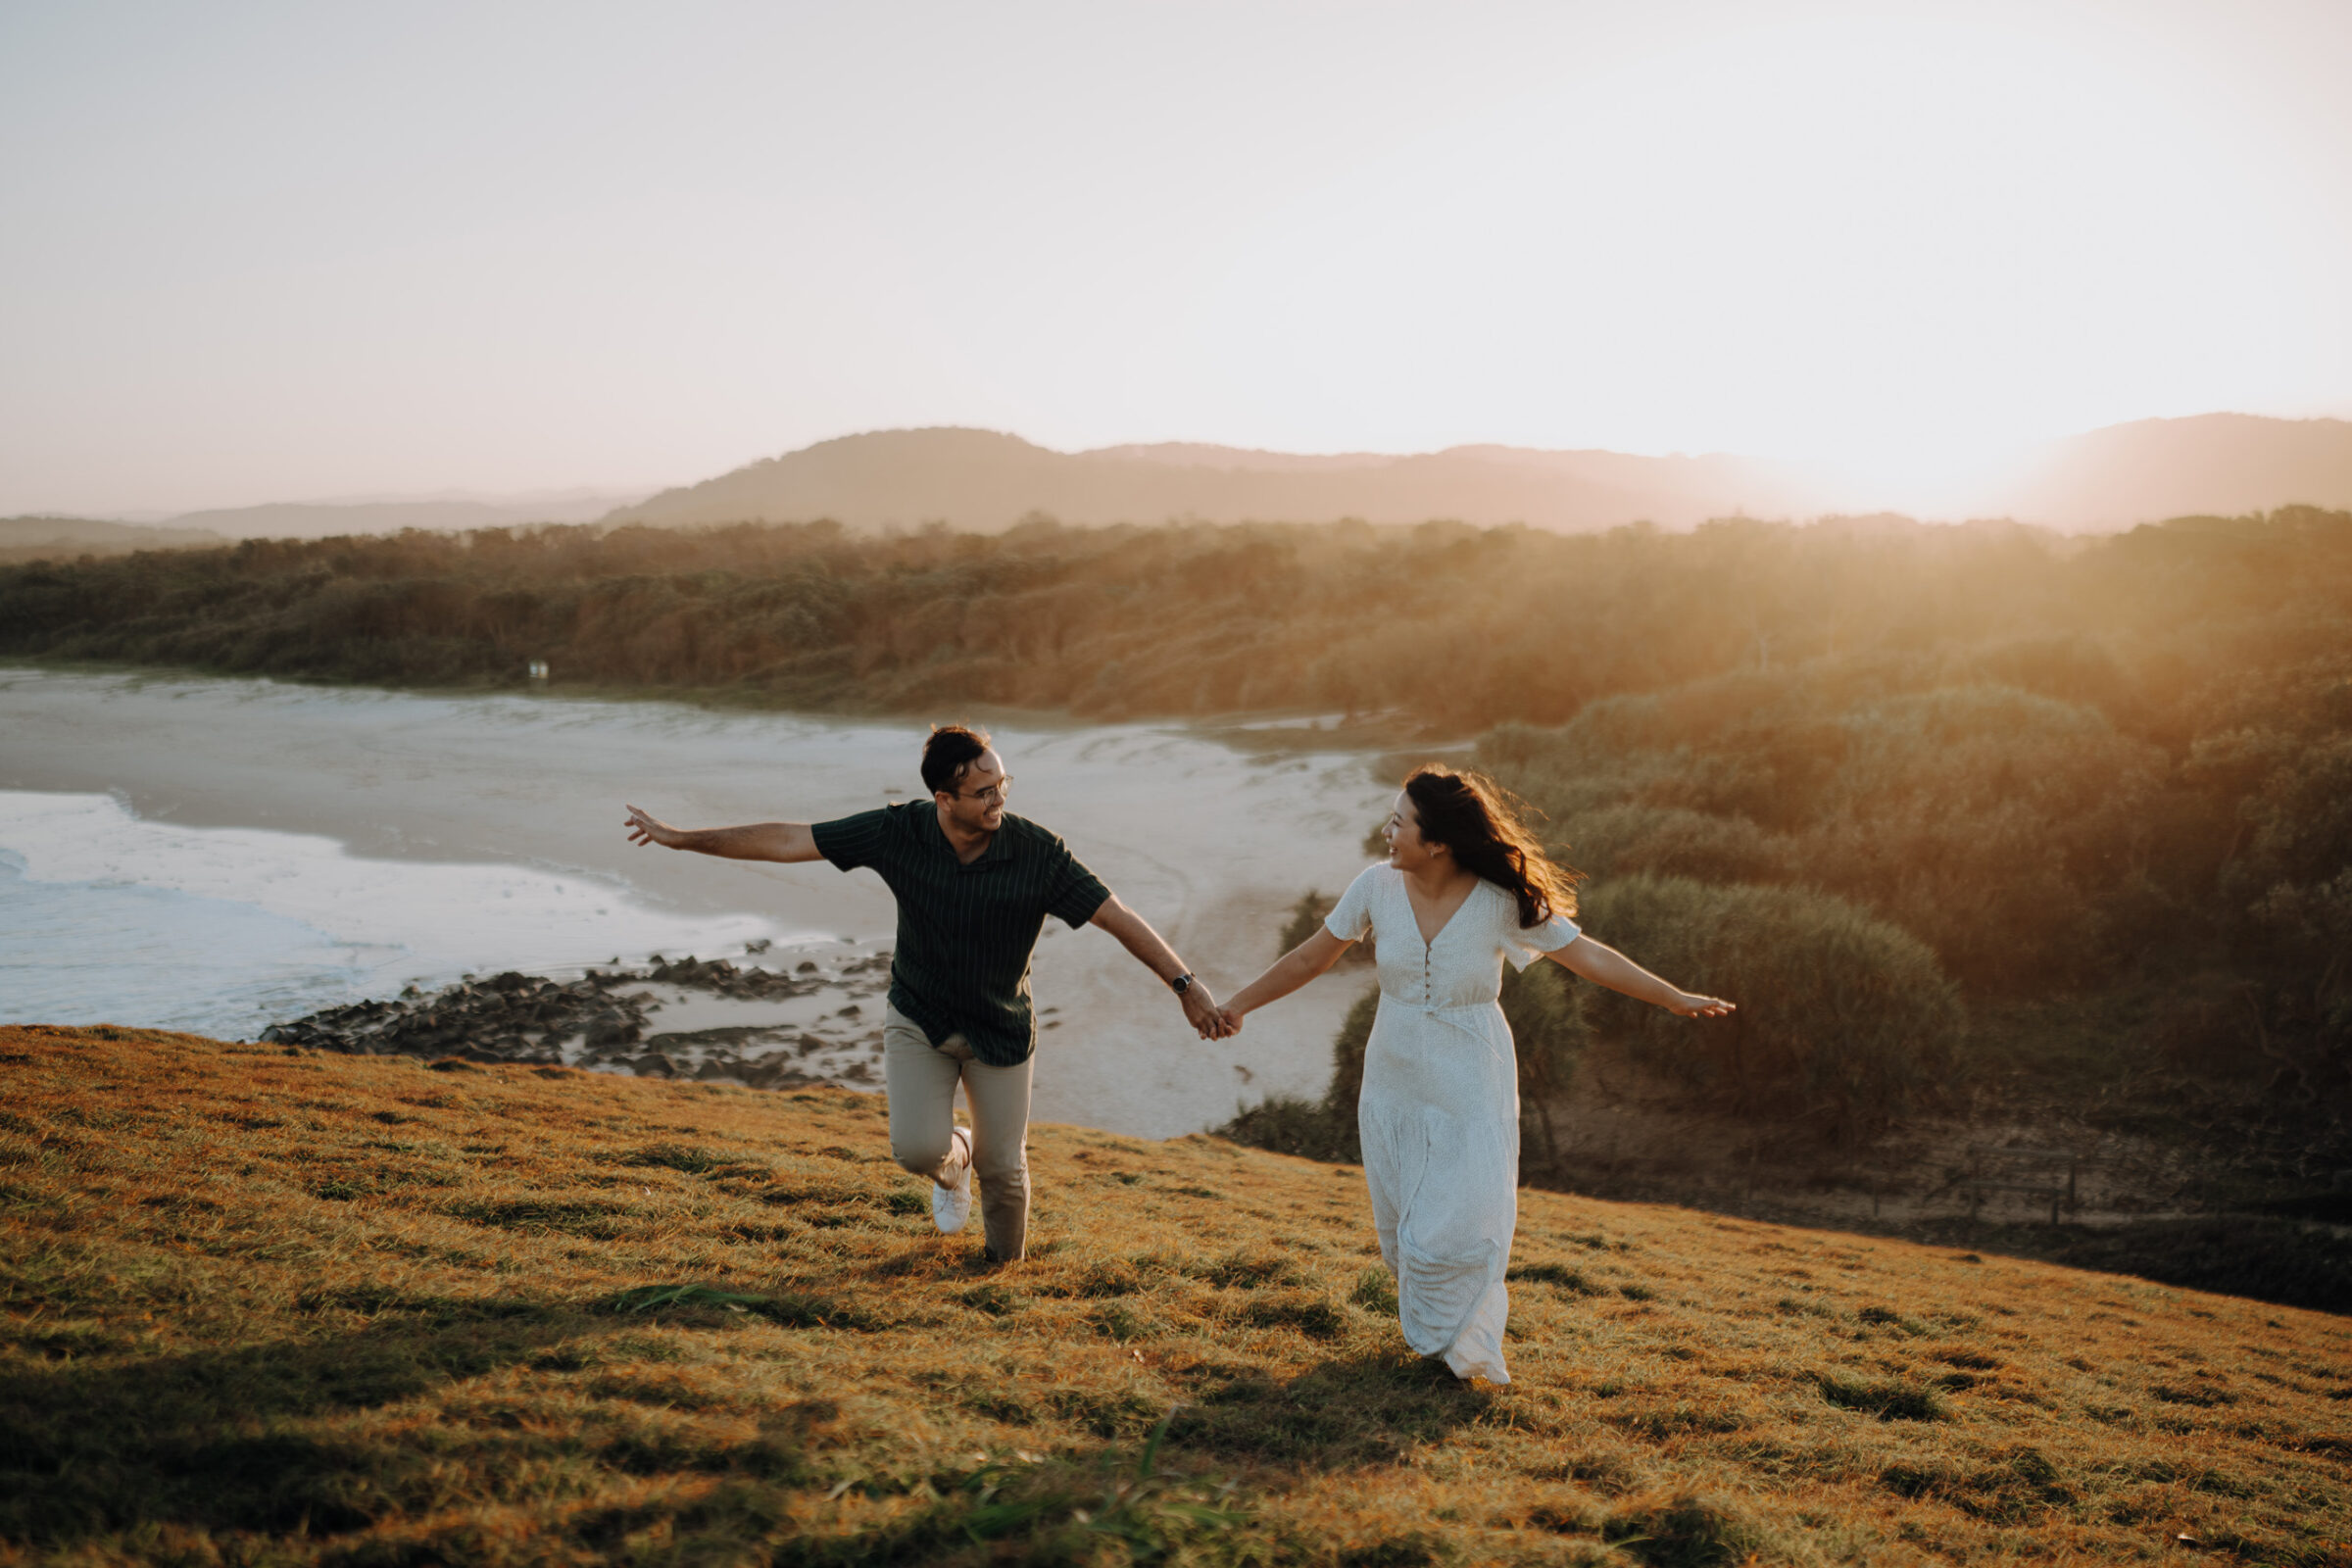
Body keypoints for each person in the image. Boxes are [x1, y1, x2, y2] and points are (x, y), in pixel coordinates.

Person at [624, 724, 1230, 1263]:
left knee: (1006, 1172)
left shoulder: (1037, 852)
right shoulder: (899, 832)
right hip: (920, 1015)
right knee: (917, 1151)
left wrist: (1185, 984)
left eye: (1003, 783)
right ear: (944, 799)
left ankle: (1000, 1272)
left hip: (1001, 1027)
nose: (999, 799)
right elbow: (790, 840)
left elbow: (1114, 915)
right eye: (984, 791)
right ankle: (954, 1156)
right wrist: (683, 838)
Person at [1215, 764, 1733, 1384]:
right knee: (1404, 1229)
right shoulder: (1375, 887)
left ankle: (1471, 1353)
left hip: (1470, 1075)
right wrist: (1237, 1005)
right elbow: (1310, 957)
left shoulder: (1500, 902)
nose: (1387, 830)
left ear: (1437, 842)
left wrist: (1672, 997)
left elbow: (1587, 956)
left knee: (1463, 1219)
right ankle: (1440, 1343)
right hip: (1394, 1073)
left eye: (1400, 822)